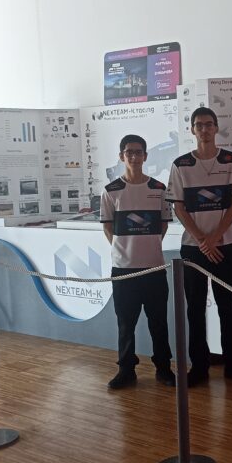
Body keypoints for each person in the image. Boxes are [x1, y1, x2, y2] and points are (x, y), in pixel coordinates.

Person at [166, 107, 232, 386]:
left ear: (216, 128)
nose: (204, 129)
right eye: (198, 125)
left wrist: (214, 237)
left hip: (224, 245)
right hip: (193, 249)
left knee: (226, 305)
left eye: (208, 124)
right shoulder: (181, 164)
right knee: (194, 309)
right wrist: (202, 241)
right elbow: (178, 208)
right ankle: (199, 367)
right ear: (192, 130)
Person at [100, 134, 175, 389]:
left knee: (159, 322)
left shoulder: (158, 188)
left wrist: (148, 245)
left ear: (146, 156)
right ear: (121, 156)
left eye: (138, 152)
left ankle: (164, 368)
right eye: (129, 152)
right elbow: (107, 227)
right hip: (123, 270)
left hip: (154, 267)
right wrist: (124, 250)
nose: (134, 156)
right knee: (125, 323)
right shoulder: (111, 191)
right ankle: (126, 369)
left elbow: (163, 225)